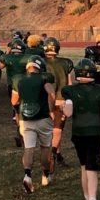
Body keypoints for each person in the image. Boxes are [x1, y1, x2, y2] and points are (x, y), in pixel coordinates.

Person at [62, 58, 100, 200]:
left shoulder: (70, 91)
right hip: (95, 133)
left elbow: (69, 113)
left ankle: (86, 198)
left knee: (84, 166)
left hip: (79, 133)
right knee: (92, 168)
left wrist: (62, 107)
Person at [12, 56, 56, 194]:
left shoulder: (19, 80)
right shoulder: (44, 78)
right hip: (43, 117)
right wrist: (51, 109)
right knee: (45, 148)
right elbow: (52, 93)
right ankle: (45, 175)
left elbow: (14, 101)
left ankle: (27, 175)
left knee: (29, 148)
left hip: (26, 118)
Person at [43, 37, 74, 167]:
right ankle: (54, 154)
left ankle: (57, 153)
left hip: (45, 99)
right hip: (61, 98)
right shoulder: (66, 63)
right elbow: (70, 83)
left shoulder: (41, 62)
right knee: (57, 129)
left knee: (51, 130)